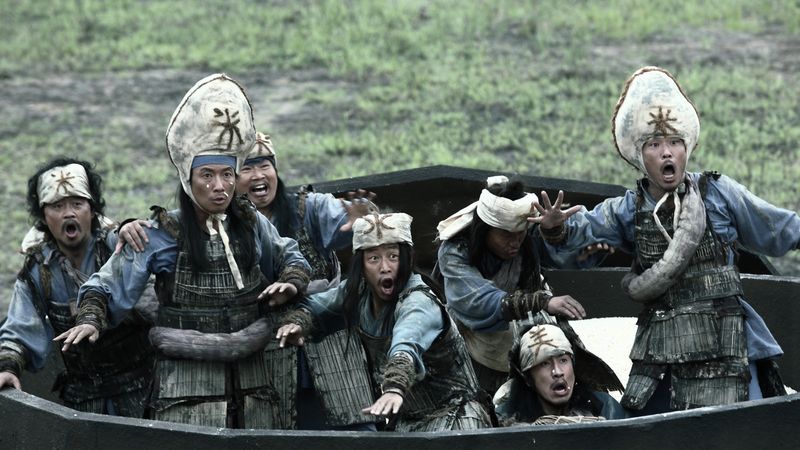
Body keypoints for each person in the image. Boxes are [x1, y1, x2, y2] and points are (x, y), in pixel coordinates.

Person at [532, 66, 797, 413]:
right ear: (641, 157)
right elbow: (575, 237)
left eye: (675, 143)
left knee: (747, 423)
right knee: (645, 428)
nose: (667, 153)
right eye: (655, 145)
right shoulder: (627, 209)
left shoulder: (718, 193)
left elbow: (777, 228)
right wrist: (554, 228)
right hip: (661, 346)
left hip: (727, 339)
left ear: (687, 148)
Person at [54, 73, 312, 429]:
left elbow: (290, 256)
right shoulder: (162, 233)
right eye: (207, 175)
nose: (219, 186)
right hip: (186, 385)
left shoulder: (251, 223)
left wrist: (290, 282)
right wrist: (90, 318)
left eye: (227, 174)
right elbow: (106, 284)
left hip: (253, 378)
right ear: (188, 180)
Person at [118, 131, 377, 430]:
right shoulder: (220, 225)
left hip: (328, 341)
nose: (258, 176)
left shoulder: (309, 207)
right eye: (247, 169)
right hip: (271, 350)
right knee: (281, 431)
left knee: (354, 428)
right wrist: (124, 227)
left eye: (265, 166)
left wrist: (362, 221)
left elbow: (347, 222)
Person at [276, 212, 494, 432]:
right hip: (408, 423)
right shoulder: (359, 291)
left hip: (456, 419)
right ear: (361, 265)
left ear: (406, 259)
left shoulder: (419, 301)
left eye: (393, 256)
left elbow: (406, 343)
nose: (385, 267)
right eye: (374, 258)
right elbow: (315, 304)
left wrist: (395, 386)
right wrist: (297, 322)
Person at [0, 158, 154, 417]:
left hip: (142, 388)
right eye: (57, 206)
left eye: (77, 204)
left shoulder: (117, 246)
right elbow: (20, 327)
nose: (68, 213)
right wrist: (7, 367)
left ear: (91, 210)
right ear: (44, 216)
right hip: (82, 399)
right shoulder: (39, 270)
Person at [434, 176, 587, 395]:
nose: (515, 242)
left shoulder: (526, 237)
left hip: (522, 325)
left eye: (520, 233)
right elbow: (478, 301)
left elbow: (564, 254)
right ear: (485, 230)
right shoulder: (454, 251)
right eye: (506, 235)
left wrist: (553, 231)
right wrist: (541, 301)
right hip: (469, 336)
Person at [494, 321, 626, 426]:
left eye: (563, 360)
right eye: (544, 363)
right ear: (528, 378)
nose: (557, 372)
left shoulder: (605, 407)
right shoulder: (506, 419)